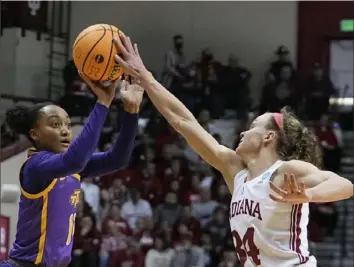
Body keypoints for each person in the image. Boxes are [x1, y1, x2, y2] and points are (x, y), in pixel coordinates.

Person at [113, 33, 354, 267]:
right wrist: (145, 77)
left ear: (269, 137)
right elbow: (182, 121)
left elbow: (345, 186)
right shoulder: (235, 171)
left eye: (252, 127)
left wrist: (309, 196)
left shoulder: (285, 172)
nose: (242, 132)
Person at [1, 76, 143, 267]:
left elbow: (117, 159)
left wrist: (131, 111)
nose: (65, 131)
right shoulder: (36, 166)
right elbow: (76, 160)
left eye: (68, 124)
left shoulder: (71, 168)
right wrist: (102, 103)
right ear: (35, 134)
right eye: (55, 124)